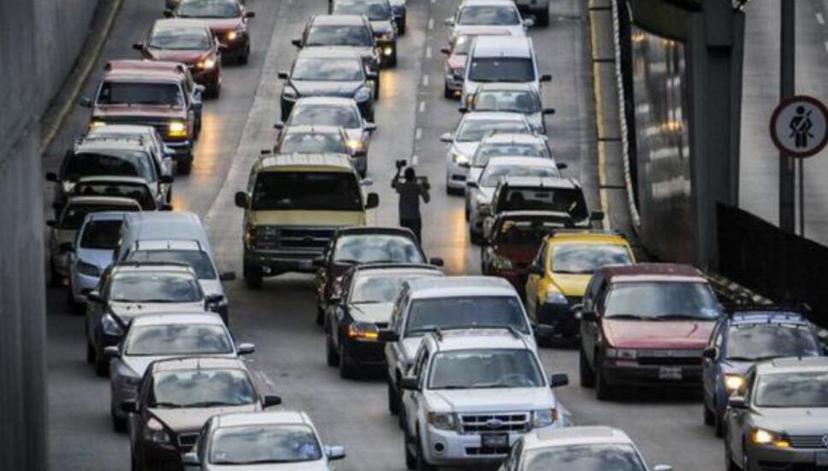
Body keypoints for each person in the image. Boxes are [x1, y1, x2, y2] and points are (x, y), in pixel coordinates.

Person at [391, 162, 430, 243]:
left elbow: (393, 183)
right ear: (414, 177)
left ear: (405, 177)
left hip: (404, 218)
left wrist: (398, 170)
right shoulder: (417, 187)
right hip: (415, 218)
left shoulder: (402, 187)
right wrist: (425, 188)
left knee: (405, 240)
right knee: (416, 241)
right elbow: (427, 199)